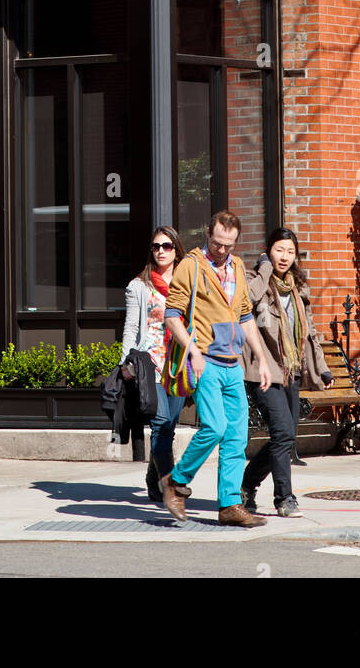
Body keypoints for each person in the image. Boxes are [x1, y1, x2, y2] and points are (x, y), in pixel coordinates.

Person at [161, 211, 273, 527]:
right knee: (214, 427)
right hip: (205, 361)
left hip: (232, 364)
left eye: (228, 245)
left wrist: (261, 359)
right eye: (216, 242)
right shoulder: (191, 266)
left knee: (237, 436)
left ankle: (229, 505)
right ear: (207, 233)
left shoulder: (236, 267)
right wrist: (193, 351)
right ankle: (175, 481)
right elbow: (171, 314)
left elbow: (245, 316)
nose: (221, 250)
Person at [241, 227, 333, 517]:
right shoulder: (254, 279)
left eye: (290, 252)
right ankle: (284, 498)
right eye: (279, 250)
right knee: (282, 433)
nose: (284, 257)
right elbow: (247, 302)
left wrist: (323, 368)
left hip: (291, 369)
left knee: (286, 437)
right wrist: (265, 269)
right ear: (269, 250)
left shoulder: (297, 288)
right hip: (262, 369)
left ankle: (246, 484)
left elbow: (310, 332)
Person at [120, 226, 187, 501]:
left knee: (169, 427)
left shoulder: (186, 284)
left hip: (179, 365)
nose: (161, 251)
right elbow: (130, 327)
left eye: (167, 246)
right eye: (156, 246)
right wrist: (125, 364)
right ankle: (171, 487)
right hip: (152, 366)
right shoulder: (139, 286)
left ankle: (151, 477)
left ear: (176, 250)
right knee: (160, 424)